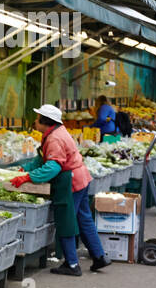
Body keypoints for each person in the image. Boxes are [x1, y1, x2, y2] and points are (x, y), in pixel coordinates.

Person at [9, 103, 110, 276]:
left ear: (44, 121)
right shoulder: (56, 133)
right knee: (84, 218)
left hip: (69, 181)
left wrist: (28, 178)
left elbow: (53, 167)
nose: (35, 121)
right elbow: (43, 158)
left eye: (37, 118)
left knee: (65, 220)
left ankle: (72, 264)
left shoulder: (54, 138)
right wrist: (25, 169)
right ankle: (99, 256)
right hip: (81, 177)